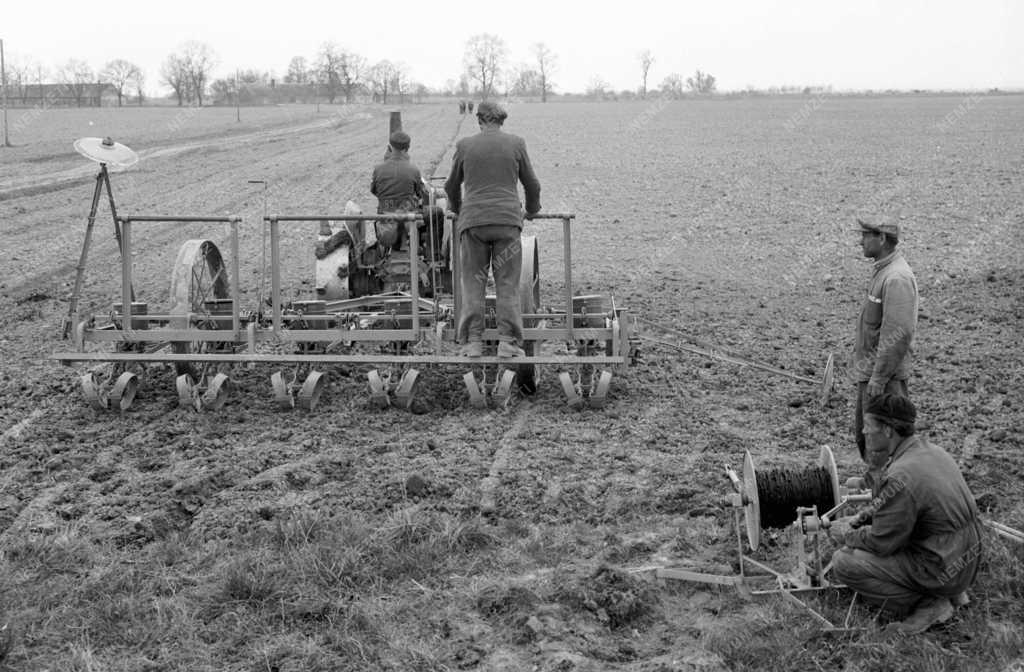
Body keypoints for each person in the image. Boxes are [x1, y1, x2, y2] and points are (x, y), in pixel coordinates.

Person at [829, 394, 982, 635]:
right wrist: (868, 517)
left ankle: (928, 603)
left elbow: (882, 543)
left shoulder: (900, 474)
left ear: (888, 431)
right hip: (967, 556)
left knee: (844, 562)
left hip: (940, 565)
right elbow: (915, 509)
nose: (864, 432)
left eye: (868, 426)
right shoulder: (932, 451)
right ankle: (951, 592)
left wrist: (848, 533)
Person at [445, 101, 541, 358]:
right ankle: (508, 342)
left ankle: (473, 342)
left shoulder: (465, 146)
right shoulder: (516, 143)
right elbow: (532, 184)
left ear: (479, 120)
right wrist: (531, 210)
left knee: (473, 283)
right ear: (501, 121)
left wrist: (457, 209)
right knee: (507, 284)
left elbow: (450, 186)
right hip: (507, 224)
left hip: (474, 224)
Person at [851, 215, 918, 491]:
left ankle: (889, 492)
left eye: (866, 235)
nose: (860, 240)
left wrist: (879, 378)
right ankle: (874, 483)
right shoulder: (883, 271)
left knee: (886, 435)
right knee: (869, 432)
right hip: (874, 371)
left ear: (882, 239)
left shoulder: (896, 278)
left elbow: (897, 334)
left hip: (885, 376)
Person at [371, 131, 425, 251]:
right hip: (406, 218)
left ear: (390, 147)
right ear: (407, 148)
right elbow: (420, 193)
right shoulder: (413, 170)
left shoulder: (378, 169)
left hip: (386, 218)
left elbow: (374, 191)